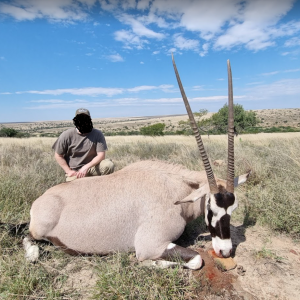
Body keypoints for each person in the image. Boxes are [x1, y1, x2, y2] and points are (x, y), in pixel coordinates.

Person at [52, 108, 114, 182]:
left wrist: (86, 167)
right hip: (75, 171)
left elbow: (101, 155)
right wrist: (68, 171)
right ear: (75, 120)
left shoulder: (97, 134)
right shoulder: (66, 135)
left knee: (108, 165)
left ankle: (103, 185)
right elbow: (58, 155)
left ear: (90, 119)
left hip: (92, 167)